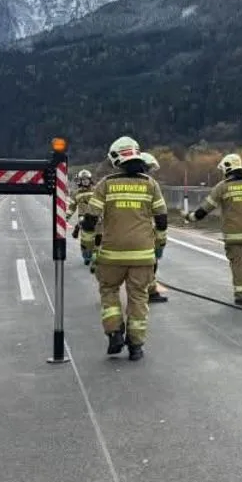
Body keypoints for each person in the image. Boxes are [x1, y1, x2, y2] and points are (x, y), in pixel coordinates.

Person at [82, 136, 168, 359]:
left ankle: (114, 334)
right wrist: (160, 245)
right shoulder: (151, 185)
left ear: (116, 159)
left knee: (109, 292)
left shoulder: (105, 185)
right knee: (138, 297)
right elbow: (161, 218)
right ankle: (136, 346)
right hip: (143, 255)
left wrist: (89, 248)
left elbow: (90, 219)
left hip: (111, 255)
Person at [184, 153, 242, 304]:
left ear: (227, 168)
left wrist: (190, 217)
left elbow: (206, 208)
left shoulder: (222, 187)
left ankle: (240, 294)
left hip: (233, 236)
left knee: (237, 263)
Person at [140, 152, 168, 303]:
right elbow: (161, 216)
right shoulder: (150, 185)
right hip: (143, 236)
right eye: (148, 169)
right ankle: (149, 293)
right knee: (150, 263)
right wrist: (161, 240)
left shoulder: (112, 183)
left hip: (117, 239)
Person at [67, 169, 97, 266]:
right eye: (83, 179)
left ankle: (97, 253)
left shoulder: (96, 191)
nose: (85, 181)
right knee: (85, 238)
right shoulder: (76, 193)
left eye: (87, 179)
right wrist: (66, 218)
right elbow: (72, 207)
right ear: (80, 181)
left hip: (96, 217)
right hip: (83, 218)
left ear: (90, 179)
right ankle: (86, 254)